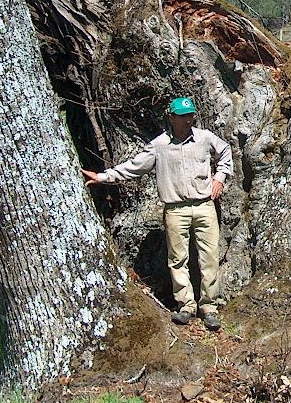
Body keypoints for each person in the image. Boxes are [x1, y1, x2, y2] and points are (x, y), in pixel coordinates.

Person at [83, 96, 232, 331]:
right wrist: (103, 177)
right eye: (182, 116)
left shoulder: (205, 138)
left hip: (204, 205)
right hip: (175, 209)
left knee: (209, 257)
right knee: (177, 259)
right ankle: (186, 306)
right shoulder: (159, 146)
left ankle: (209, 307)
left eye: (190, 115)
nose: (187, 120)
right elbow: (134, 167)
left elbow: (225, 152)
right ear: (171, 118)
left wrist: (219, 178)